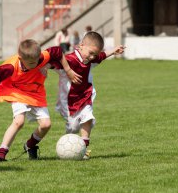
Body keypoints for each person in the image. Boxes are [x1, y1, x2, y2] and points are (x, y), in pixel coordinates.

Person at [0, 39, 82, 162]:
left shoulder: (41, 57)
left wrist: (68, 70)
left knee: (46, 125)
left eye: (36, 62)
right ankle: (1, 155)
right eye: (30, 63)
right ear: (20, 58)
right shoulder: (9, 67)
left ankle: (30, 145)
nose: (34, 65)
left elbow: (58, 51)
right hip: (17, 92)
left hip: (36, 92)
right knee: (19, 121)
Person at [52, 31, 125, 159]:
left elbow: (101, 56)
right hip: (68, 101)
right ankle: (72, 146)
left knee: (88, 118)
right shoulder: (70, 60)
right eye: (90, 53)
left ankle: (84, 149)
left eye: (94, 55)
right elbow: (53, 61)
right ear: (81, 45)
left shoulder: (92, 58)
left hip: (86, 96)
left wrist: (113, 51)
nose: (92, 57)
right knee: (73, 128)